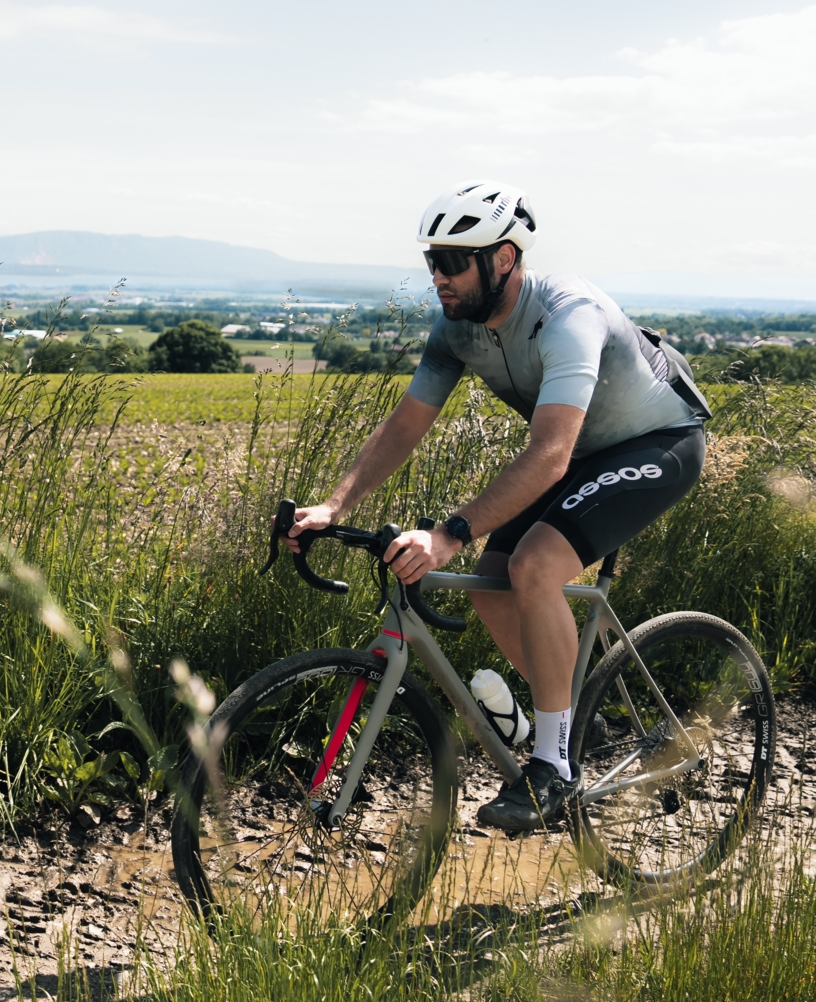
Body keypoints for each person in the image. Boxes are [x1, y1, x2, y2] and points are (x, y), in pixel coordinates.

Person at [287, 181, 708, 832]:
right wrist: (334, 505)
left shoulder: (567, 313)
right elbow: (406, 424)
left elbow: (549, 456)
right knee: (490, 582)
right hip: (580, 452)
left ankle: (554, 766)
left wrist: (448, 533)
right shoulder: (457, 328)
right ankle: (570, 725)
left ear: (504, 259)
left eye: (453, 261)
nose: (438, 276)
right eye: (432, 260)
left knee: (534, 566)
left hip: (657, 444)